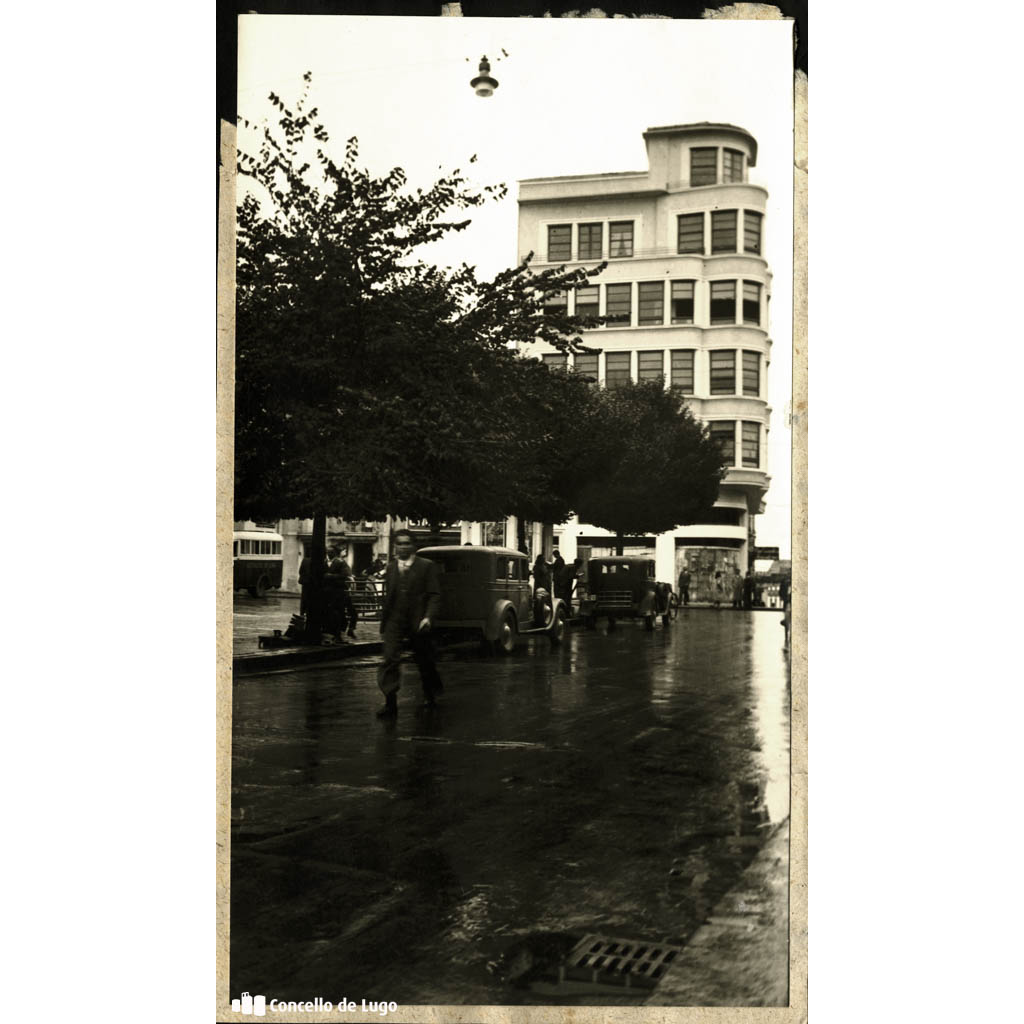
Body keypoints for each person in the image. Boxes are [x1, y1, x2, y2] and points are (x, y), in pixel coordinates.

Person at [376, 530, 443, 718]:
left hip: (418, 620)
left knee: (424, 660)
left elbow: (434, 595)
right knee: (389, 659)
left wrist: (428, 617)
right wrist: (385, 622)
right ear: (394, 547)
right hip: (394, 620)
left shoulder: (426, 566)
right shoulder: (391, 568)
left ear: (413, 546)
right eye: (399, 544)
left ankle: (430, 694)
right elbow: (389, 596)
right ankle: (390, 702)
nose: (403, 547)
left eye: (406, 543)